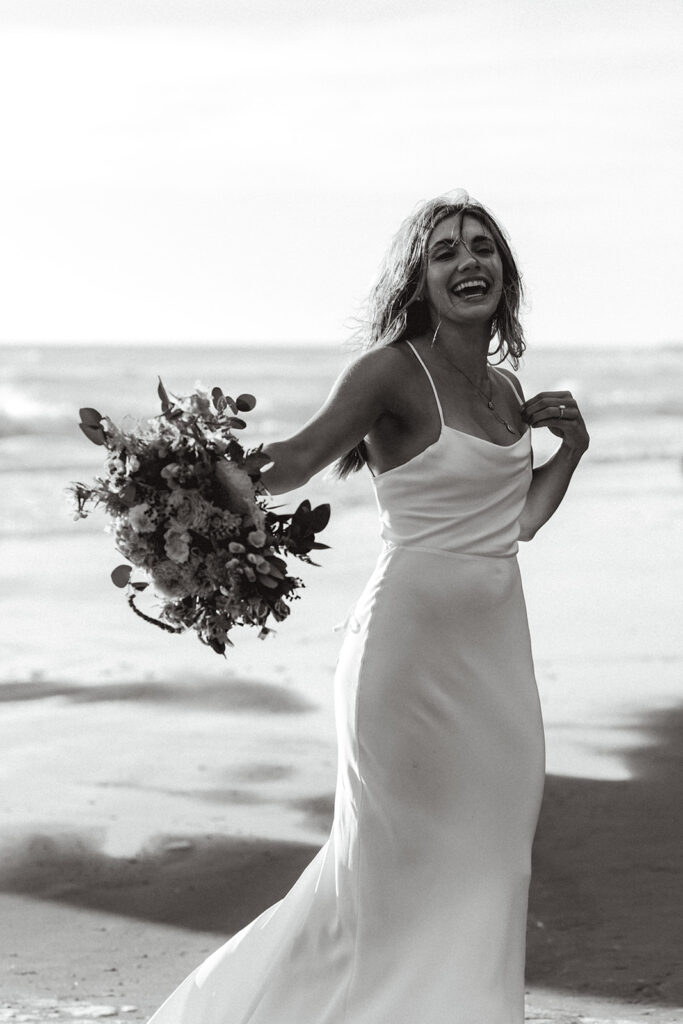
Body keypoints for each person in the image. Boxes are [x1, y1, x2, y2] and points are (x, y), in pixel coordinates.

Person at [147, 190, 589, 1024]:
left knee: (492, 862)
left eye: (483, 248)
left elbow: (515, 522)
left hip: (497, 662)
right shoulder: (391, 370)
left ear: (506, 271)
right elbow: (300, 457)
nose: (469, 263)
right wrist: (199, 477)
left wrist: (571, 451)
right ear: (418, 280)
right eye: (447, 251)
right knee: (387, 873)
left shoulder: (503, 386)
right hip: (404, 659)